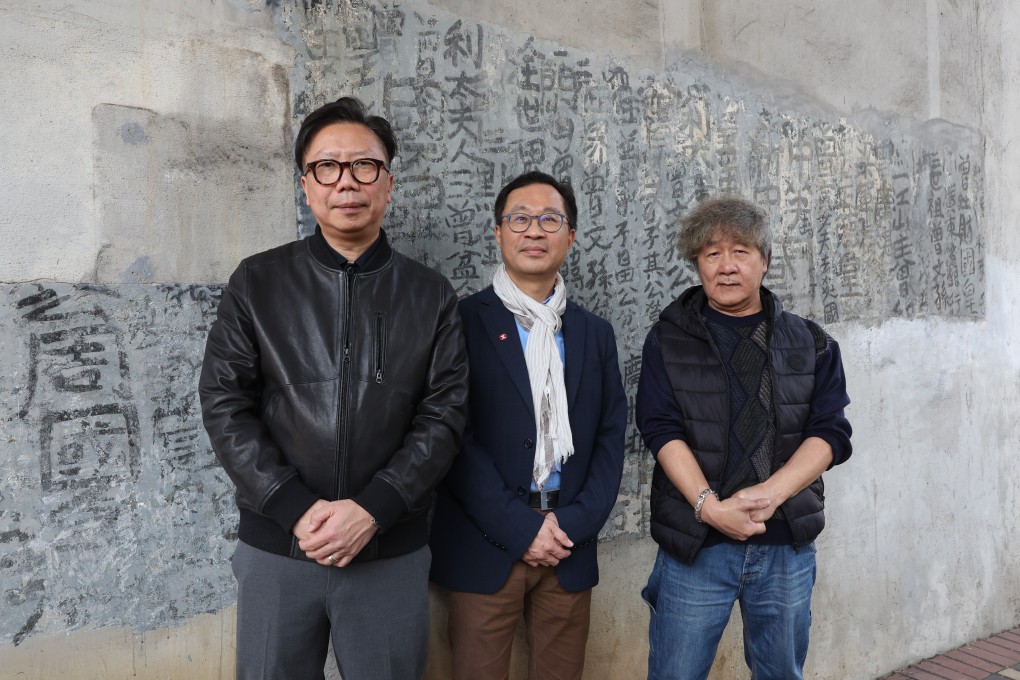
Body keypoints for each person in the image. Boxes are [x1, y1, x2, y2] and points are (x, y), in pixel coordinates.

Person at [199, 96, 469, 680]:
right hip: (278, 547)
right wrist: (294, 509)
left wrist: (374, 509)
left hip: (388, 549)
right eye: (328, 167)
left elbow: (444, 416)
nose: (346, 182)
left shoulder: (430, 295)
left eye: (364, 166)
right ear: (306, 184)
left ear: (389, 183)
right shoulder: (257, 282)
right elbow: (225, 404)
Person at [636, 196, 853, 680]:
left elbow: (830, 433)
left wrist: (769, 495)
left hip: (784, 547)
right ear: (697, 263)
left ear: (765, 261)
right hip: (696, 545)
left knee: (780, 673)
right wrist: (709, 507)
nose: (727, 266)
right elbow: (660, 427)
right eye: (712, 253)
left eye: (741, 252)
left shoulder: (811, 342)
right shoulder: (667, 340)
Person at [429, 171, 627, 680]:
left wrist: (573, 525)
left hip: (569, 543)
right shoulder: (462, 321)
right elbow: (452, 435)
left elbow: (609, 438)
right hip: (485, 544)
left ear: (571, 235)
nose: (534, 231)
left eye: (549, 220)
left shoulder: (594, 333)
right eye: (520, 219)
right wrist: (521, 529)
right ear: (499, 233)